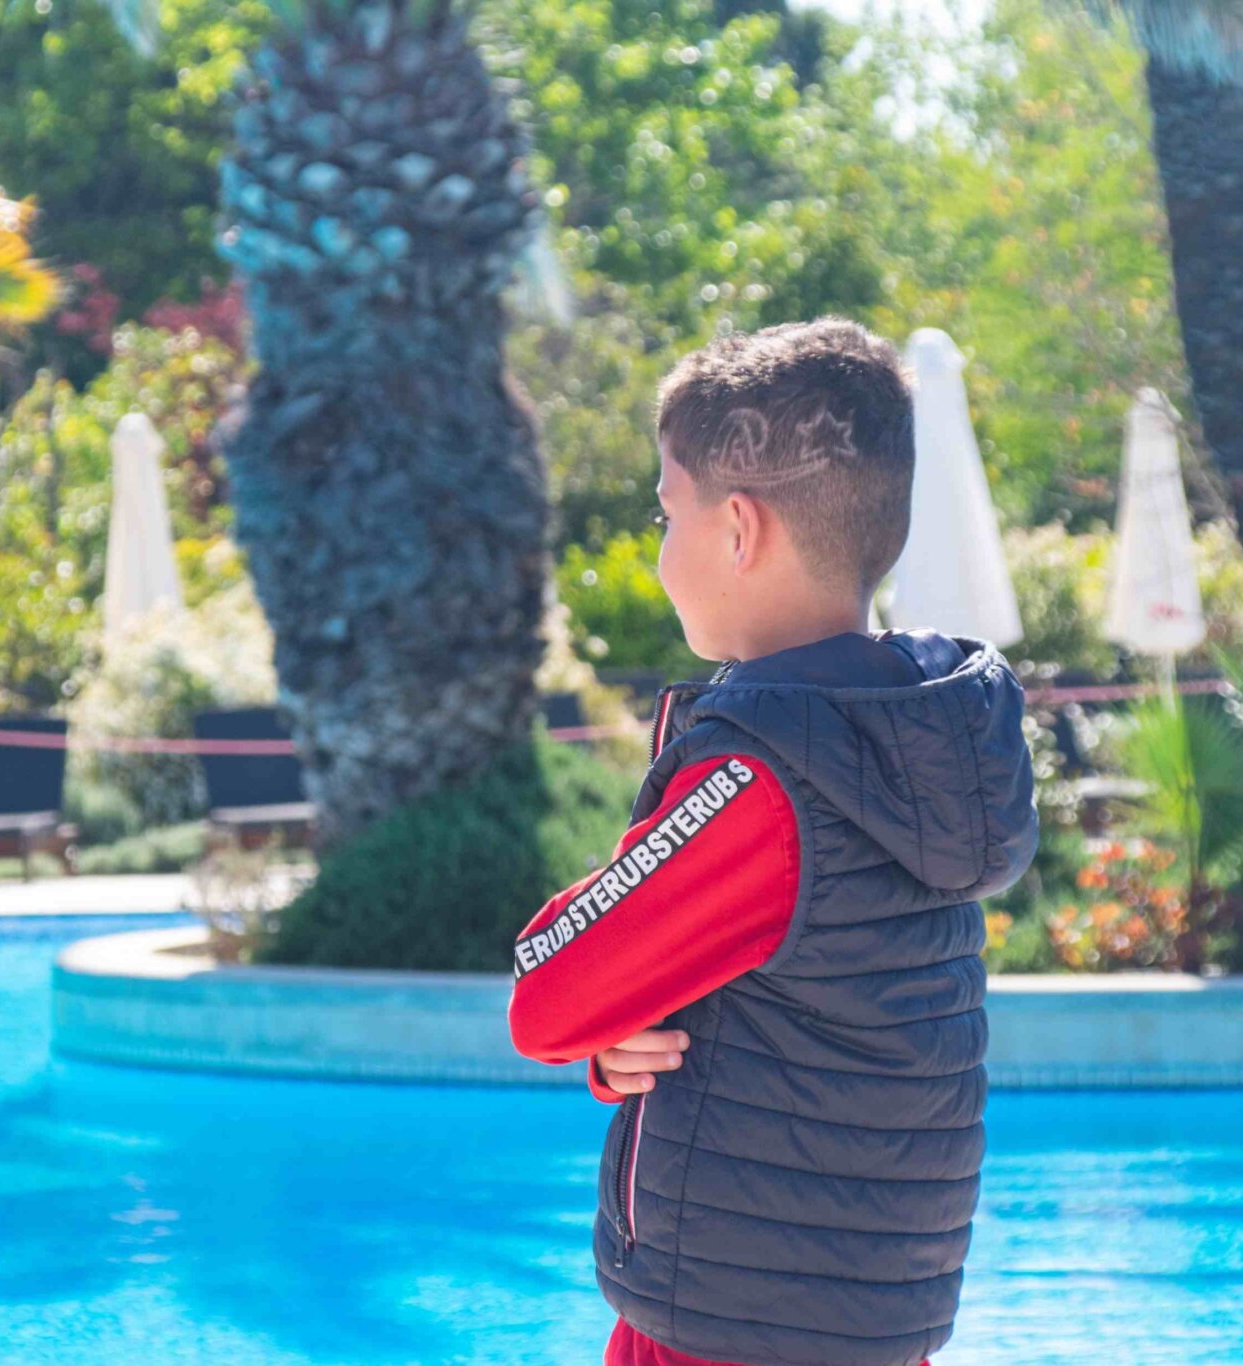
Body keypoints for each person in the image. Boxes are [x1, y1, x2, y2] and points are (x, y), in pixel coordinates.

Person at [506, 317, 1040, 1366]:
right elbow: (797, 997)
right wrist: (623, 1036)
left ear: (739, 529)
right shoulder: (912, 742)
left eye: (667, 513)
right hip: (867, 1327)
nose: (662, 549)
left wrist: (601, 1017)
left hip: (725, 1328)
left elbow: (546, 996)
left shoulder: (761, 778)